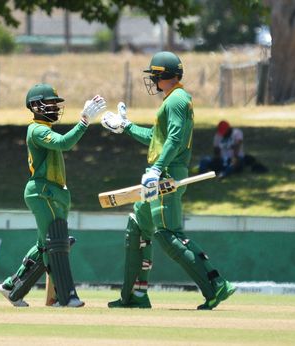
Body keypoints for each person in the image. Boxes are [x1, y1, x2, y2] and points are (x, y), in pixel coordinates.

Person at [101, 51, 235, 310]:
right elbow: (157, 137)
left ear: (163, 75)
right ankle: (134, 296)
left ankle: (216, 286)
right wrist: (126, 126)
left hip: (166, 173)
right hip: (161, 170)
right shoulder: (175, 99)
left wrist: (157, 168)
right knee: (137, 227)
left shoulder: (176, 100)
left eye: (154, 75)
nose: (151, 80)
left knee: (168, 234)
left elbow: (173, 139)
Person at [0, 83, 106, 307]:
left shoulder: (45, 128)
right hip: (41, 192)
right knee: (54, 242)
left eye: (57, 104)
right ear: (36, 106)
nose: (55, 107)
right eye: (51, 103)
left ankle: (11, 287)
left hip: (51, 192)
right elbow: (64, 143)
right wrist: (84, 121)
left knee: (43, 246)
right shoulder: (37, 130)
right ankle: (64, 296)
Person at [199, 120, 267, 178]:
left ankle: (223, 174)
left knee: (233, 164)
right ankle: (203, 175)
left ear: (228, 129)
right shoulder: (218, 135)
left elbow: (237, 146)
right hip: (222, 159)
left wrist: (234, 158)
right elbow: (216, 150)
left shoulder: (237, 133)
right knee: (205, 160)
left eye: (224, 132)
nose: (223, 134)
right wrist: (217, 158)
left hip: (236, 158)